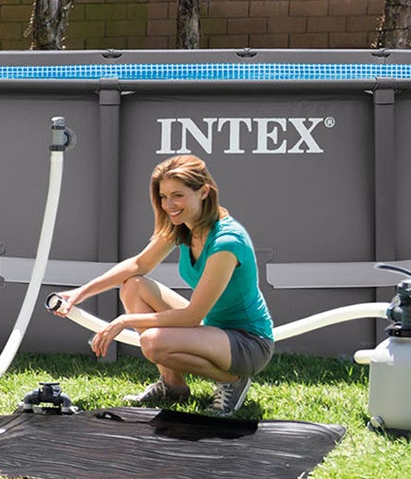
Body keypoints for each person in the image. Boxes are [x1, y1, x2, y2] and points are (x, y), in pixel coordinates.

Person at [53, 154, 274, 414]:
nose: (169, 205)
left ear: (204, 192)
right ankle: (173, 386)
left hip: (247, 342)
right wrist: (80, 293)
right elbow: (139, 264)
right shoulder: (184, 226)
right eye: (163, 196)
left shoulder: (227, 242)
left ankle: (232, 380)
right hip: (212, 328)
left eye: (177, 195)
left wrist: (124, 321)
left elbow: (192, 316)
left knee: (152, 342)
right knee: (133, 285)